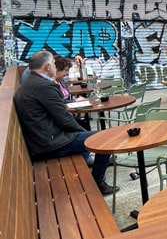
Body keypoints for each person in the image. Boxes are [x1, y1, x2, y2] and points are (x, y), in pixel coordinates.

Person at [13, 50, 118, 195]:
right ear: (48, 66)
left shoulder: (32, 82)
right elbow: (64, 119)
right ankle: (98, 181)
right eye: (54, 65)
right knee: (105, 138)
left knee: (90, 136)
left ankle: (93, 164)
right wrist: (86, 135)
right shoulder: (44, 86)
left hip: (42, 141)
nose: (56, 68)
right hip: (50, 144)